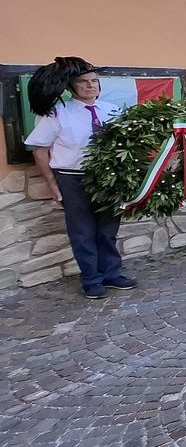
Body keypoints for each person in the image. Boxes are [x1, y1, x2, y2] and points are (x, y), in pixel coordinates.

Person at [25, 57, 135, 299]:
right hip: (73, 179)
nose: (90, 86)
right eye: (83, 82)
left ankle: (112, 274)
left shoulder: (112, 110)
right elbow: (39, 148)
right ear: (71, 86)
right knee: (82, 232)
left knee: (107, 229)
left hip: (108, 179)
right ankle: (91, 280)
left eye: (94, 81)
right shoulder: (57, 113)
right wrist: (51, 183)